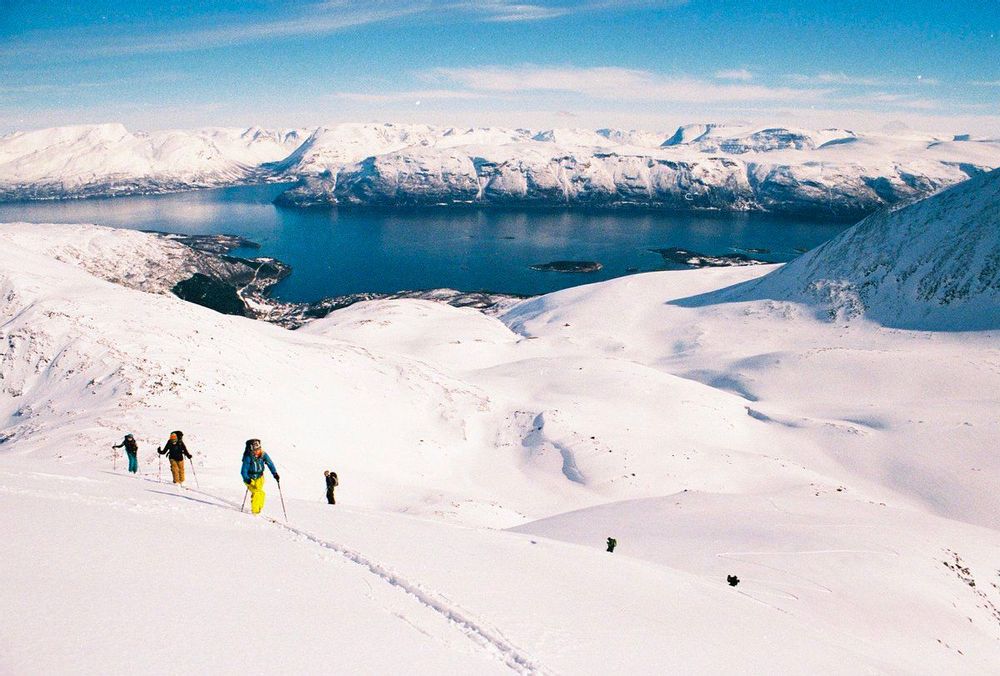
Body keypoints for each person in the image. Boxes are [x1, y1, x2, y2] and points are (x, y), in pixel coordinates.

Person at [241, 439, 279, 515]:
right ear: (251, 450)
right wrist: (247, 479)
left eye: (259, 449)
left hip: (260, 478)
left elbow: (270, 463)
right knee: (257, 493)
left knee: (261, 493)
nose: (258, 451)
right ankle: (255, 512)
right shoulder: (248, 457)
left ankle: (259, 508)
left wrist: (275, 473)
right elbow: (243, 471)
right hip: (250, 479)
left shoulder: (263, 454)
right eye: (256, 450)